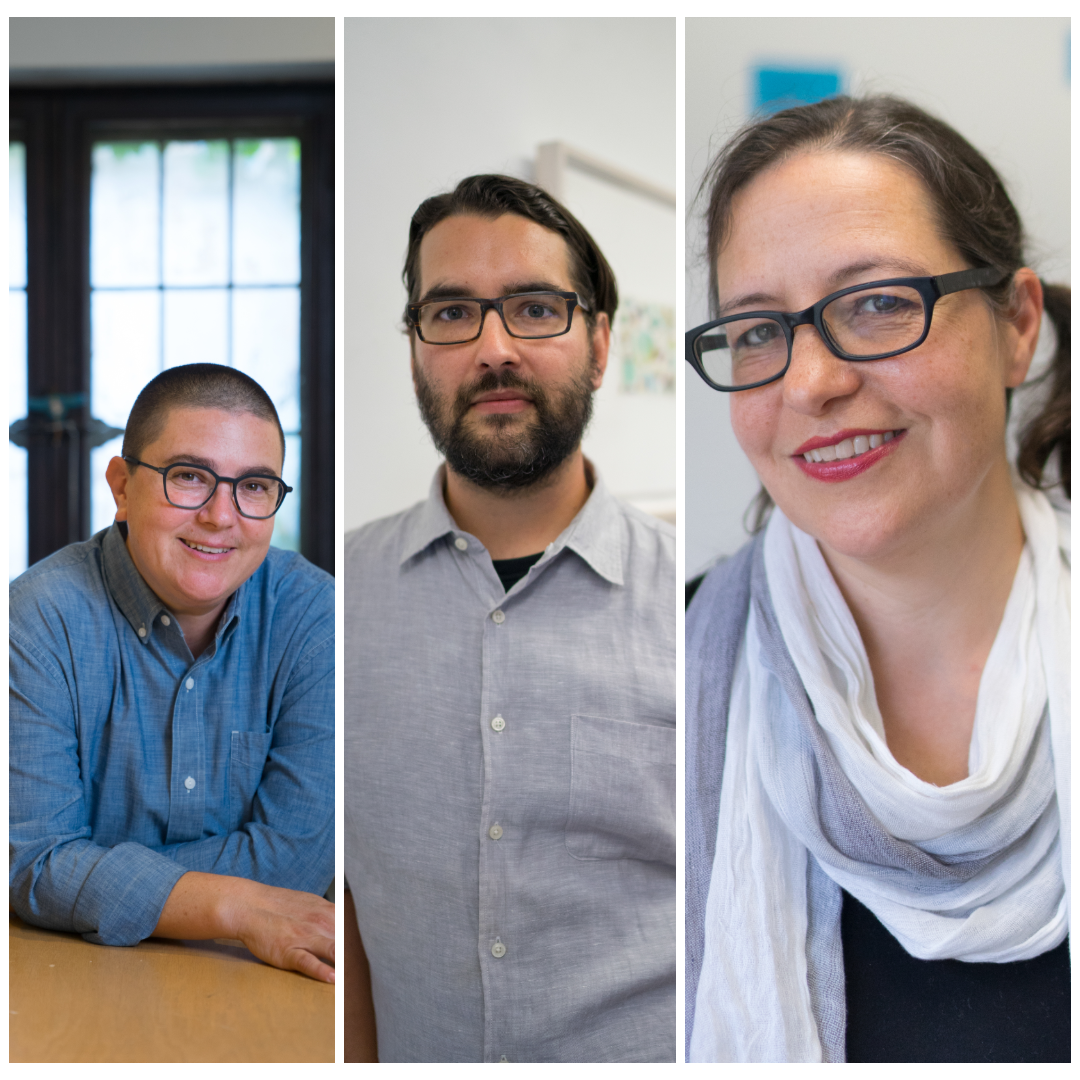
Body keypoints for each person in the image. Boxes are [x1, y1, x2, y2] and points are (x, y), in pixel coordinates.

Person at [684, 96, 1070, 1063]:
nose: (808, 382)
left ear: (1016, 323)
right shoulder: (670, 666)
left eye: (880, 302)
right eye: (760, 331)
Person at [343, 174, 675, 1063]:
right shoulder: (332, 600)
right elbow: (342, 907)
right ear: (415, 350)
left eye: (534, 308)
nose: (494, 349)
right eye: (450, 314)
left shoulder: (695, 602)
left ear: (601, 344)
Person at [10, 363, 335, 983]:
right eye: (189, 477)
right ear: (122, 486)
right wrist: (233, 903)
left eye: (256, 486)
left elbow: (298, 861)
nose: (221, 516)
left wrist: (97, 877)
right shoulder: (34, 620)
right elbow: (37, 863)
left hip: (259, 981)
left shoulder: (316, 618)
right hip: (73, 979)